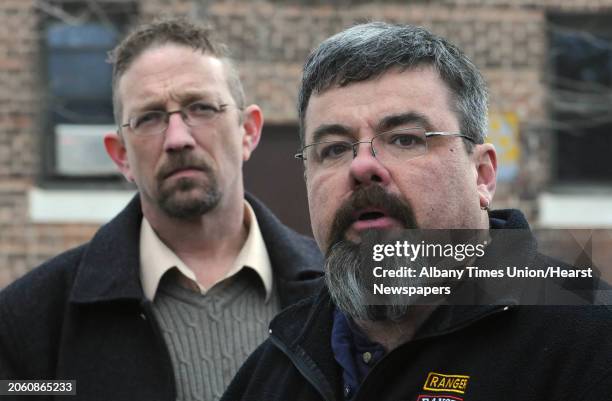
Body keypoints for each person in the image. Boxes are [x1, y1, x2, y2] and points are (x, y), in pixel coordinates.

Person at [221, 22, 612, 401]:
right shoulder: (272, 371)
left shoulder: (590, 339)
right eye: (335, 149)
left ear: (482, 174)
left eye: (405, 139)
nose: (361, 167)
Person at [0, 18, 323, 400]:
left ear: (248, 132)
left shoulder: (337, 294)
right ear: (120, 155)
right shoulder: (31, 318)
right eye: (150, 117)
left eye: (201, 108)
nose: (178, 138)